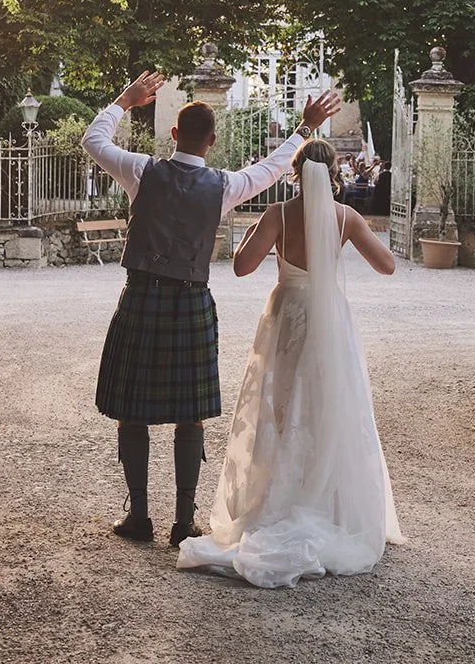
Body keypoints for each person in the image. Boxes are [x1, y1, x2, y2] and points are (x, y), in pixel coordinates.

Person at [82, 71, 343, 547]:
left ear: (174, 134)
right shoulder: (225, 185)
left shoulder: (141, 171)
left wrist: (125, 100)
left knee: (131, 410)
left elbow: (93, 140)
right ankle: (184, 522)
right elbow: (274, 167)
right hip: (191, 302)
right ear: (213, 141)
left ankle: (139, 517)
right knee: (191, 412)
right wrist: (305, 127)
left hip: (140, 297)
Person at [177, 138, 403, 588]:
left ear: (294, 174)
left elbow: (242, 266)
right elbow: (388, 265)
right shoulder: (345, 217)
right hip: (328, 318)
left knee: (280, 408)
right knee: (328, 404)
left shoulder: (277, 214)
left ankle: (276, 497)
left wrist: (257, 235)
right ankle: (326, 502)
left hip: (286, 317)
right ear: (333, 172)